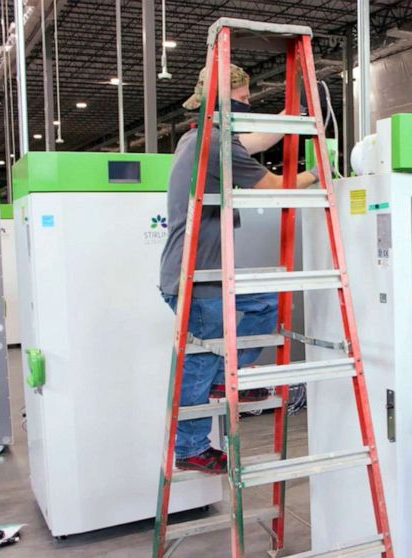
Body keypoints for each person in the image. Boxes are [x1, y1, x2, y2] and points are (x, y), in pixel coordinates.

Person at [159, 64, 320, 474]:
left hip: (207, 273)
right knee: (197, 360)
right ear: (226, 102)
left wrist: (291, 118)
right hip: (196, 278)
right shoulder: (213, 146)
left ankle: (225, 374)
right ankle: (190, 447)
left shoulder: (196, 139)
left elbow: (253, 139)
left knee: (269, 302)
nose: (249, 104)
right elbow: (271, 185)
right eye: (246, 98)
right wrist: (318, 175)